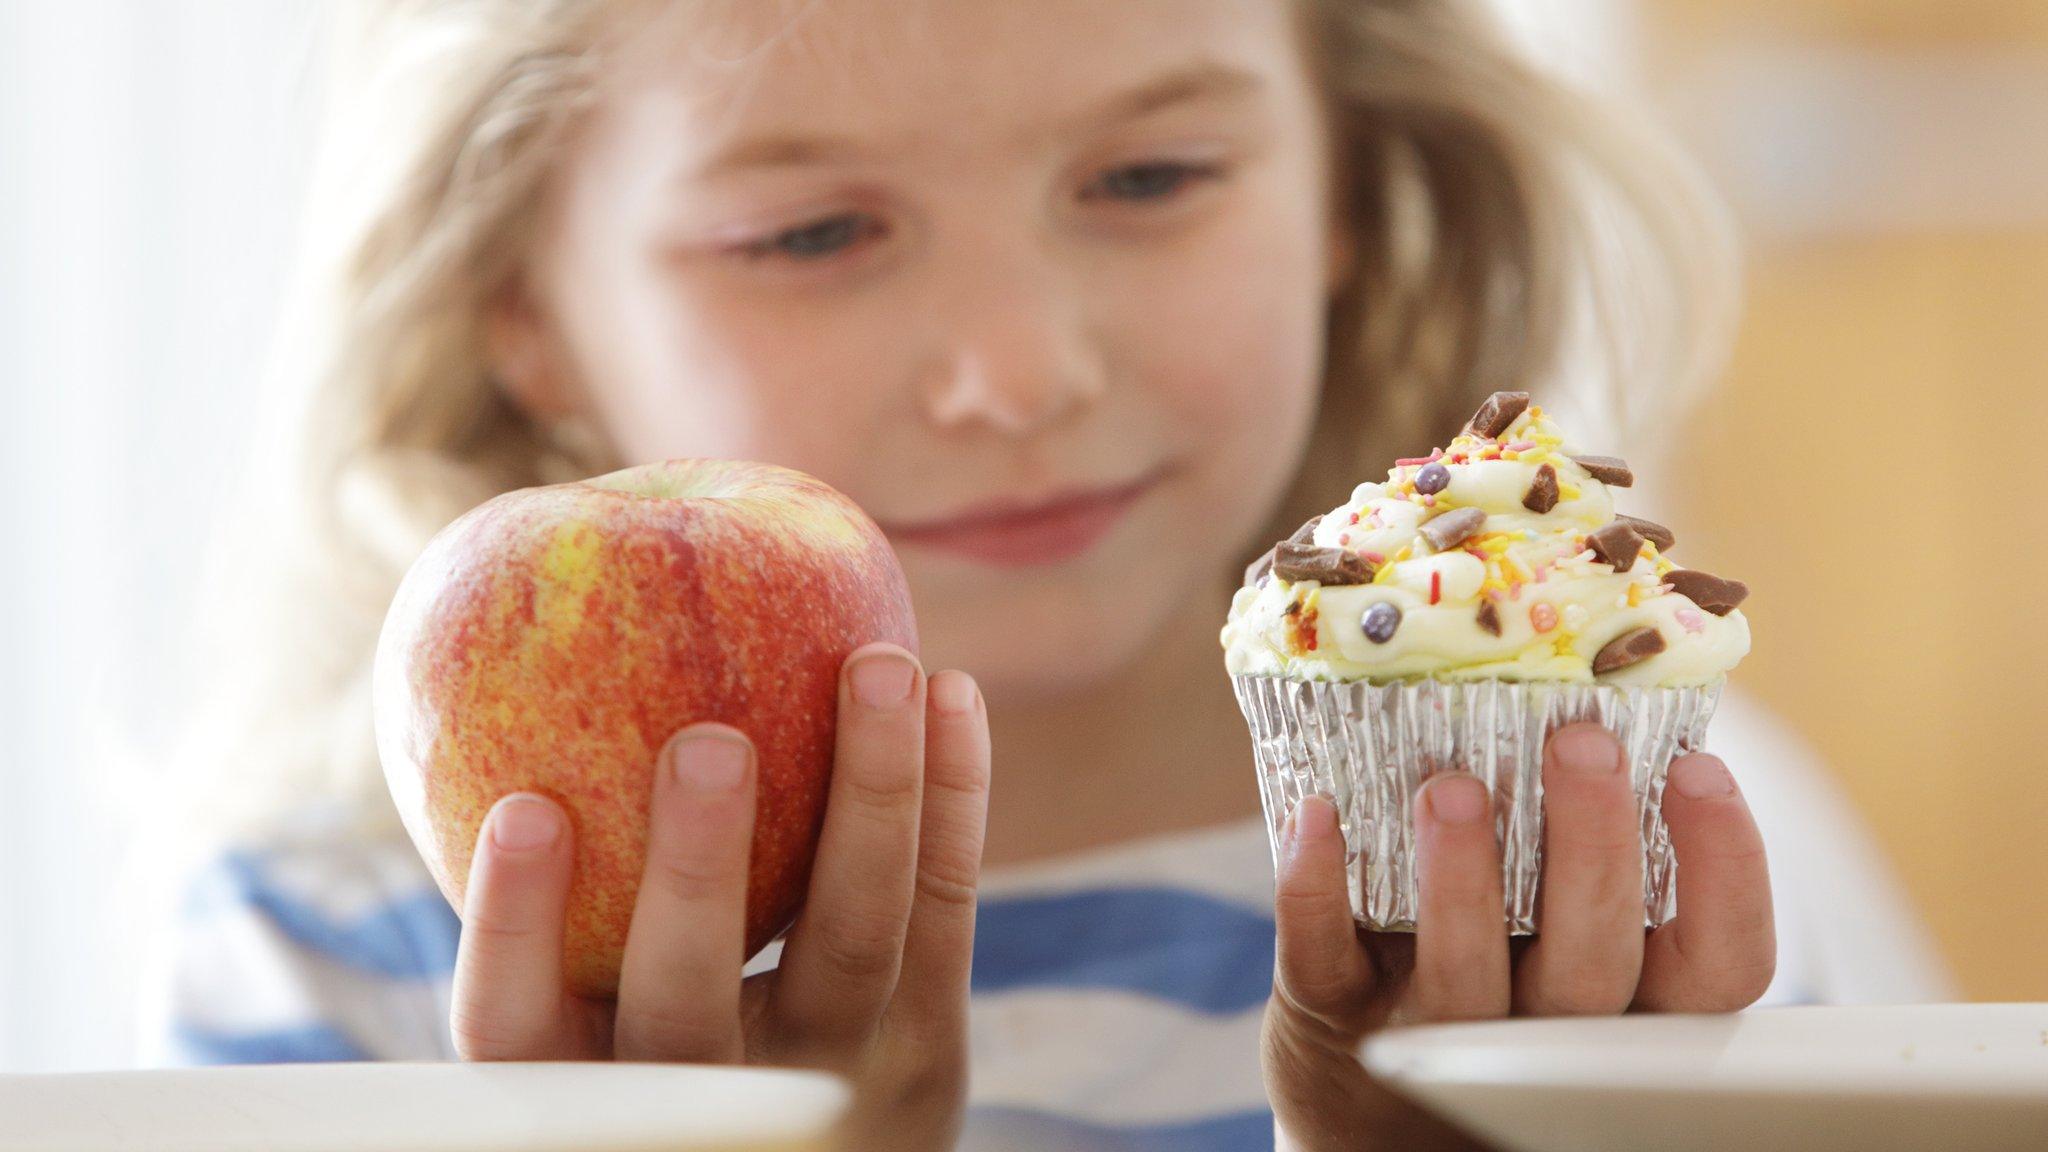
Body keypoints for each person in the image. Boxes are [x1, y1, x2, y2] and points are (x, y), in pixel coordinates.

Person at [140, 1, 1951, 1149]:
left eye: (1151, 175)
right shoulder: (344, 965)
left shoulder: (1629, 872)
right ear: (523, 315)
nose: (1016, 369)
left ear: (1351, 187)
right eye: (815, 231)